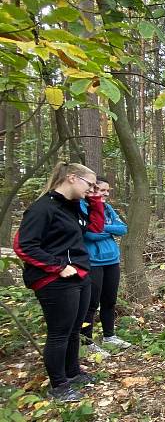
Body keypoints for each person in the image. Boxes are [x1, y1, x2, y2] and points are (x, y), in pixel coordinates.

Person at [14, 162, 104, 402]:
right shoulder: (43, 208)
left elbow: (93, 229)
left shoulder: (72, 207)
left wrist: (95, 202)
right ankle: (59, 385)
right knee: (59, 334)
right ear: (72, 178)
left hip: (80, 275)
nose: (92, 189)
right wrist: (58, 267)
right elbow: (24, 246)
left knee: (75, 330)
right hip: (54, 281)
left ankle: (73, 374)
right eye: (90, 184)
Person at [80, 176, 130, 353]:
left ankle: (109, 336)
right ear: (92, 190)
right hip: (92, 261)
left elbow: (123, 229)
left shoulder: (107, 209)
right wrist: (106, 230)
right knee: (91, 303)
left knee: (109, 301)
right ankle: (87, 342)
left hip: (112, 260)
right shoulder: (82, 208)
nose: (106, 194)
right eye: (102, 190)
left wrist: (102, 227)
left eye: (108, 191)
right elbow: (90, 235)